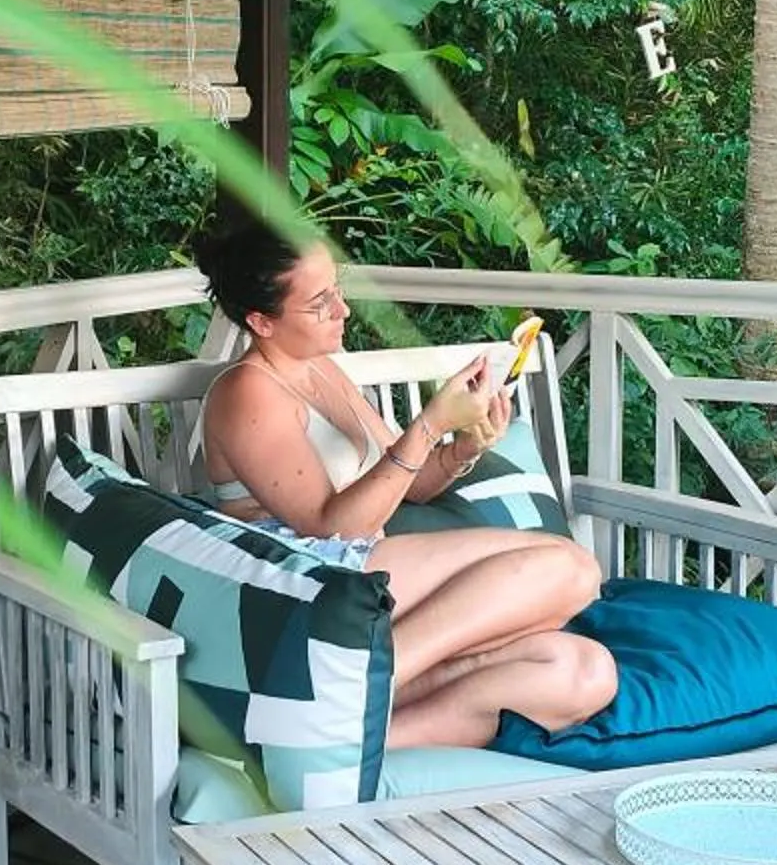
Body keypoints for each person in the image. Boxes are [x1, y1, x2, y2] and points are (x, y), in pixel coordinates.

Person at [193, 210, 615, 752]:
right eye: (319, 302)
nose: (341, 309)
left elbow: (409, 483)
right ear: (262, 322)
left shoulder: (321, 368)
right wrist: (431, 422)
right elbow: (332, 529)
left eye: (337, 290)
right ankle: (355, 684)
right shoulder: (247, 392)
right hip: (308, 583)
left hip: (372, 584)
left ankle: (340, 736)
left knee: (583, 669)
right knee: (572, 569)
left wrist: (465, 445)